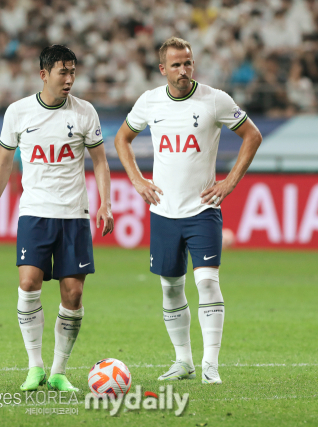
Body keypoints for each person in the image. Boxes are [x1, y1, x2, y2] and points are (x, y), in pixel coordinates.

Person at [114, 37, 262, 384]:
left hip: (202, 209)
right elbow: (122, 138)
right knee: (170, 287)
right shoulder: (149, 102)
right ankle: (184, 361)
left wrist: (229, 183)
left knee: (207, 282)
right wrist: (137, 180)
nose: (184, 70)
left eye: (188, 63)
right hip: (164, 211)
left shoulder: (214, 99)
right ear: (163, 69)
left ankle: (211, 364)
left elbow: (252, 135)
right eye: (177, 65)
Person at [0, 45, 114, 392]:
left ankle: (58, 371)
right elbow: (4, 163)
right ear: (44, 75)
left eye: (73, 72)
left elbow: (100, 161)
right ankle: (34, 365)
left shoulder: (86, 113)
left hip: (74, 215)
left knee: (73, 294)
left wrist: (105, 203)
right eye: (63, 72)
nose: (70, 79)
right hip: (35, 212)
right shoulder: (18, 112)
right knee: (28, 283)